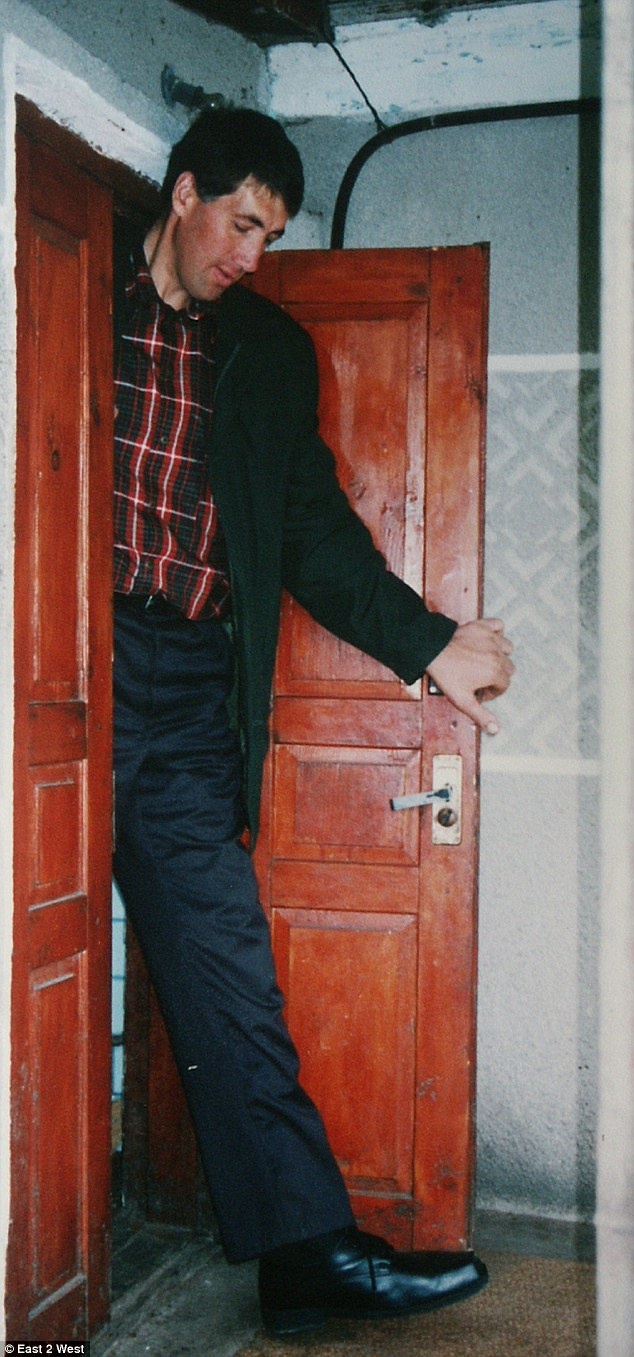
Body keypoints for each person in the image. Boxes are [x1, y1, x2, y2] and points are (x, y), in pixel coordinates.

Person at [112, 106, 514, 1338]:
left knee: (230, 972)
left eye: (271, 237)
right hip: (57, 675)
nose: (252, 255)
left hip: (186, 690)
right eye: (240, 224)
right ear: (184, 193)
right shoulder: (69, 293)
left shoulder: (268, 353)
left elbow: (316, 537)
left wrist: (431, 644)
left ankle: (303, 1254)